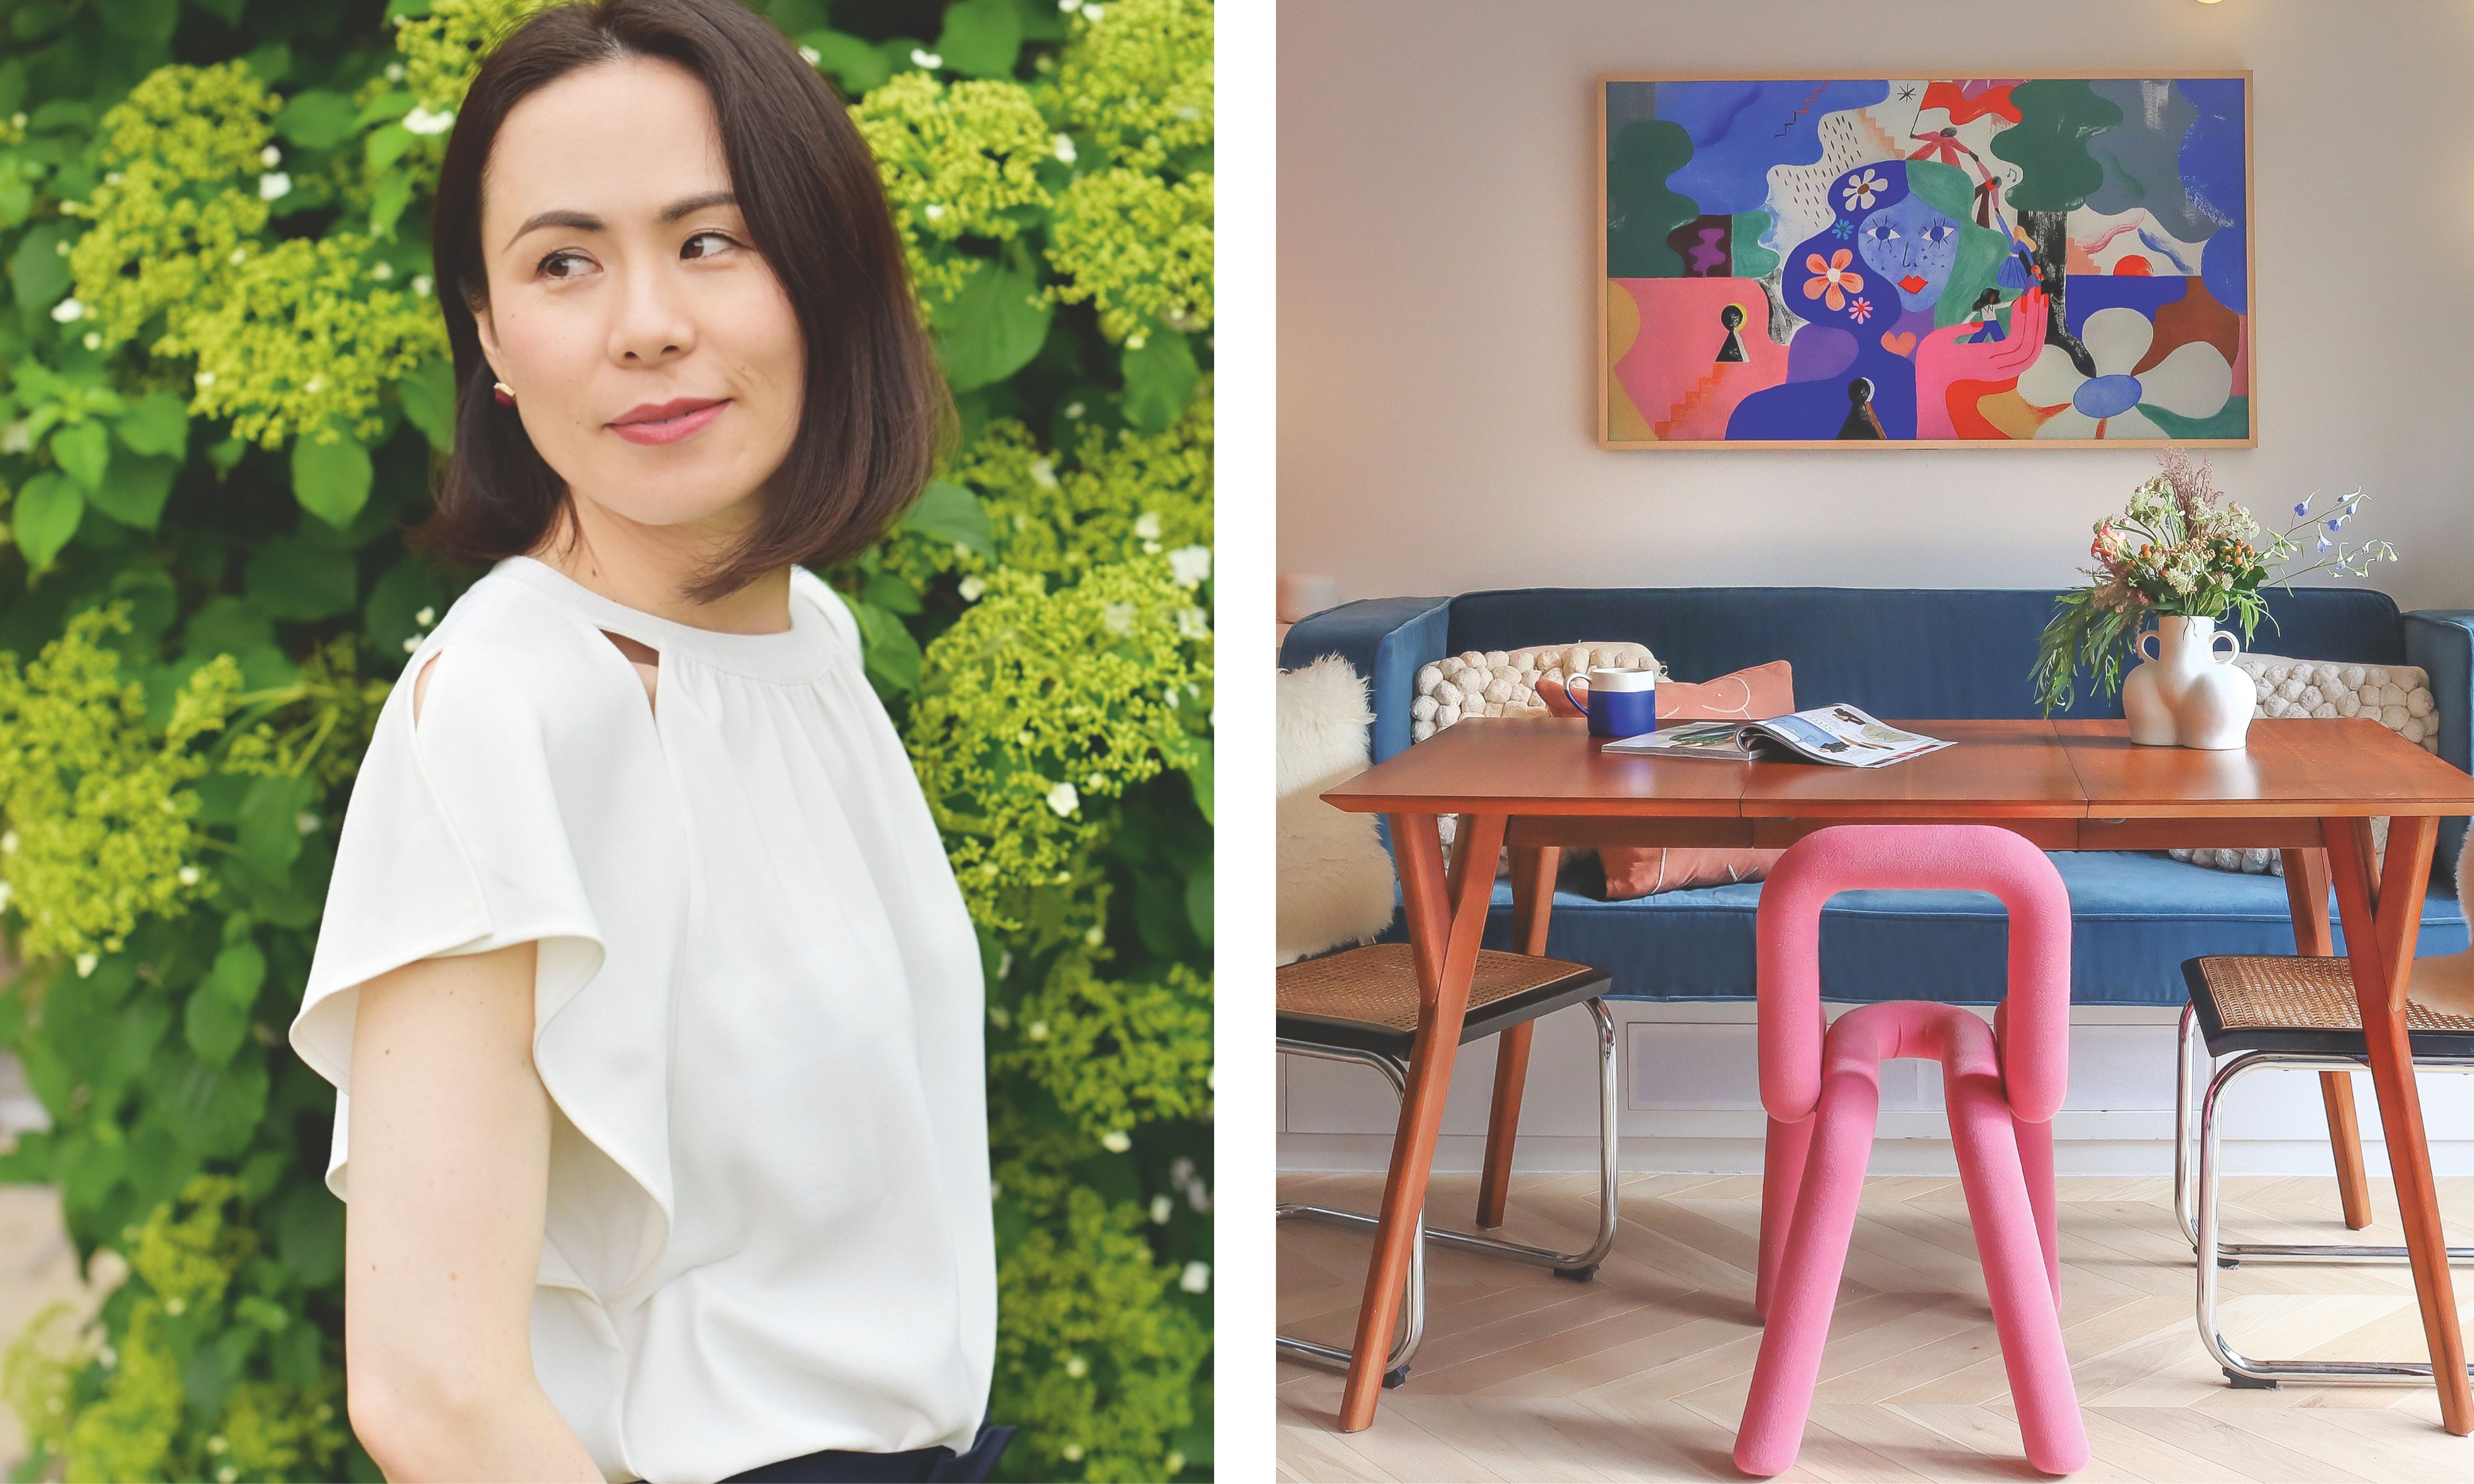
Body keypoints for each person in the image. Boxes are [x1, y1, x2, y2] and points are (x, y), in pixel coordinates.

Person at [283, 3, 1006, 1480]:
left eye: (709, 240)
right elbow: (432, 1399)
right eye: (563, 262)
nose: (644, 323)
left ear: (826, 271)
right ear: (490, 337)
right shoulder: (507, 707)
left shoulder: (807, 636)